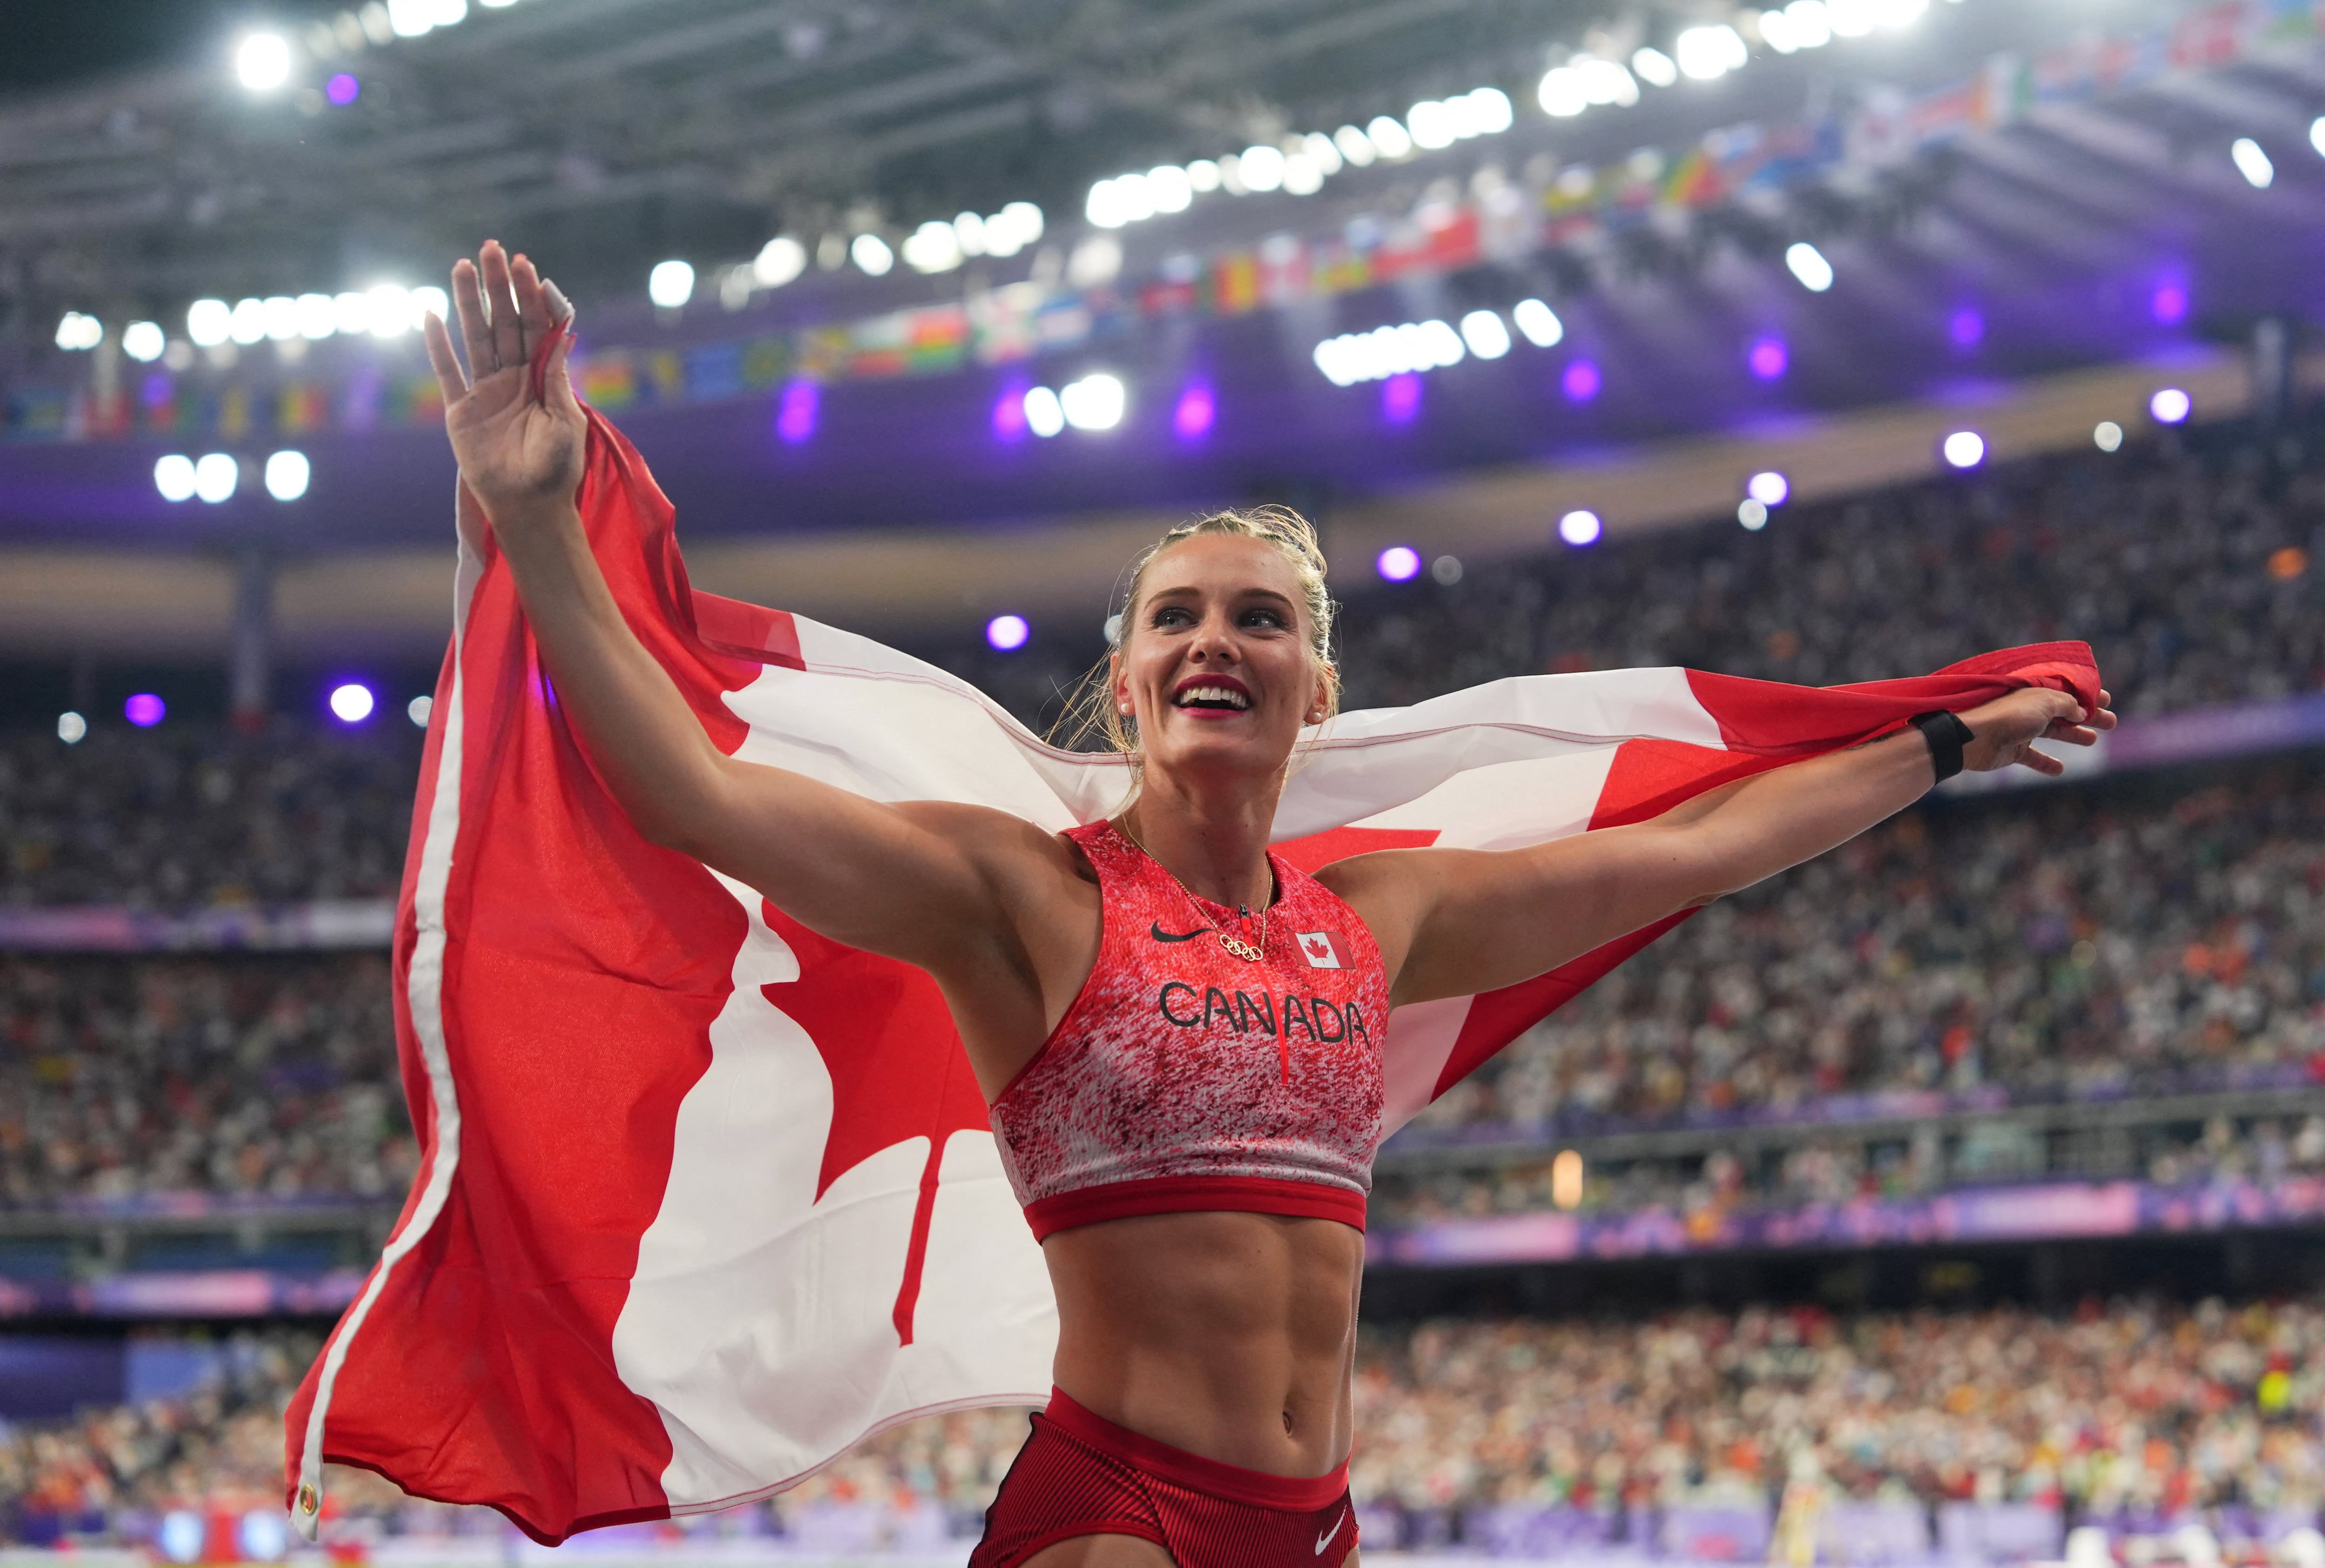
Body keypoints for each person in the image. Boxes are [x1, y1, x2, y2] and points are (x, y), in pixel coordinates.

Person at [419, 240, 2114, 1568]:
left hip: (1317, 1521)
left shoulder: (1385, 919)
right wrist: (531, 511)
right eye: (1175, 617)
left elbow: (1710, 846)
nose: (1214, 639)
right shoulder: (1025, 898)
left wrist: (1951, 736)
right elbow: (692, 795)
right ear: (1131, 683)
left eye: (1260, 618)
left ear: (1316, 689)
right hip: (1123, 1510)